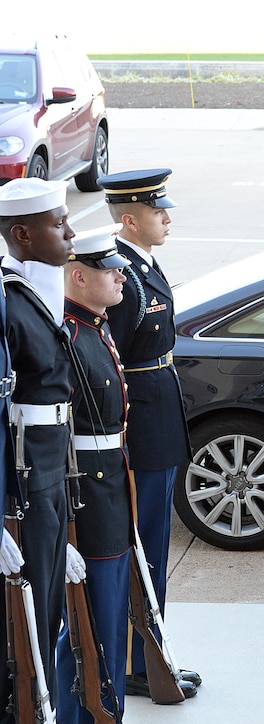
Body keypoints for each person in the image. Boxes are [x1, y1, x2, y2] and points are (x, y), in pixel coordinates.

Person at [97, 168, 200, 698]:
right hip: (142, 429)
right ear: (129, 218)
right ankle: (142, 661)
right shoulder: (125, 276)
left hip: (157, 420)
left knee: (154, 544)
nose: (167, 218)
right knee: (146, 548)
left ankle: (150, 652)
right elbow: (108, 363)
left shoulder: (143, 267)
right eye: (158, 211)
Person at [0, 177, 78, 708]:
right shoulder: (8, 299)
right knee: (25, 619)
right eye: (58, 224)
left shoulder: (39, 288)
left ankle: (44, 705)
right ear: (23, 235)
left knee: (49, 606)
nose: (70, 232)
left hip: (51, 468)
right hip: (24, 473)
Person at [56, 224, 135, 721]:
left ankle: (110, 711)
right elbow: (55, 444)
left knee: (111, 622)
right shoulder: (66, 335)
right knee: (89, 624)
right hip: (87, 496)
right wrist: (60, 524)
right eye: (110, 271)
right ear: (79, 277)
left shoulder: (97, 325)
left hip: (111, 488)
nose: (122, 276)